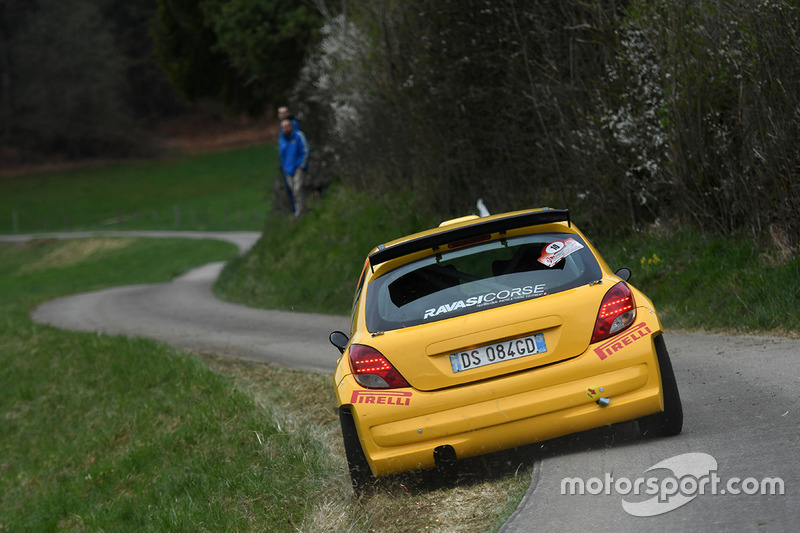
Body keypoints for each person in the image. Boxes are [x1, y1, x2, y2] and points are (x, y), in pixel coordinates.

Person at [279, 118, 310, 217]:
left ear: (291, 126)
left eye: (287, 126)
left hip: (298, 168)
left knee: (298, 189)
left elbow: (305, 150)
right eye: (283, 127)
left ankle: (300, 213)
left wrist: (301, 165)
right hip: (288, 170)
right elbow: (282, 155)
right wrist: (284, 167)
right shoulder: (282, 139)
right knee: (293, 191)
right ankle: (302, 210)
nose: (285, 128)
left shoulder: (298, 136)